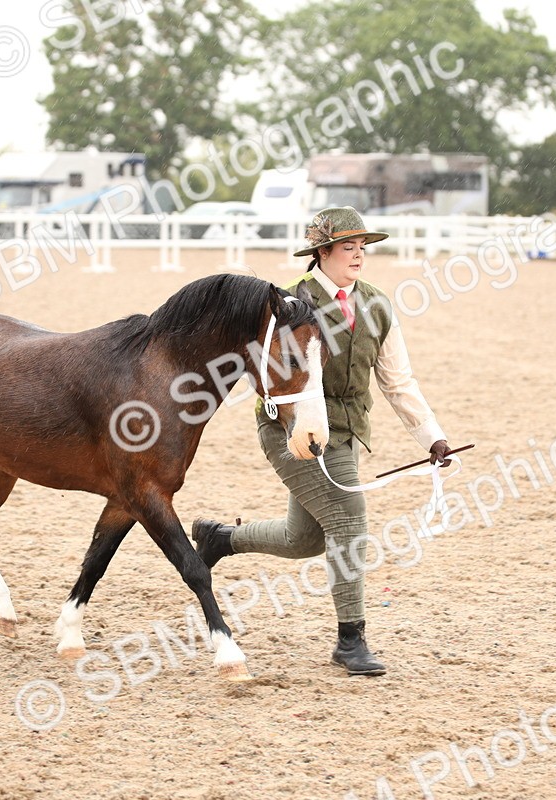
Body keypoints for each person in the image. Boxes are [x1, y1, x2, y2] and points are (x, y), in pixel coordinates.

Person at [193, 206, 450, 676]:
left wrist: (432, 437)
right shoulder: (287, 304)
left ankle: (221, 539)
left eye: (362, 247)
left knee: (305, 538)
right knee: (349, 523)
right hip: (289, 432)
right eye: (348, 247)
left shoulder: (377, 305)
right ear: (322, 252)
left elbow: (397, 381)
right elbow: (261, 373)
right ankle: (350, 639)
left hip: (347, 433)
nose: (359, 255)